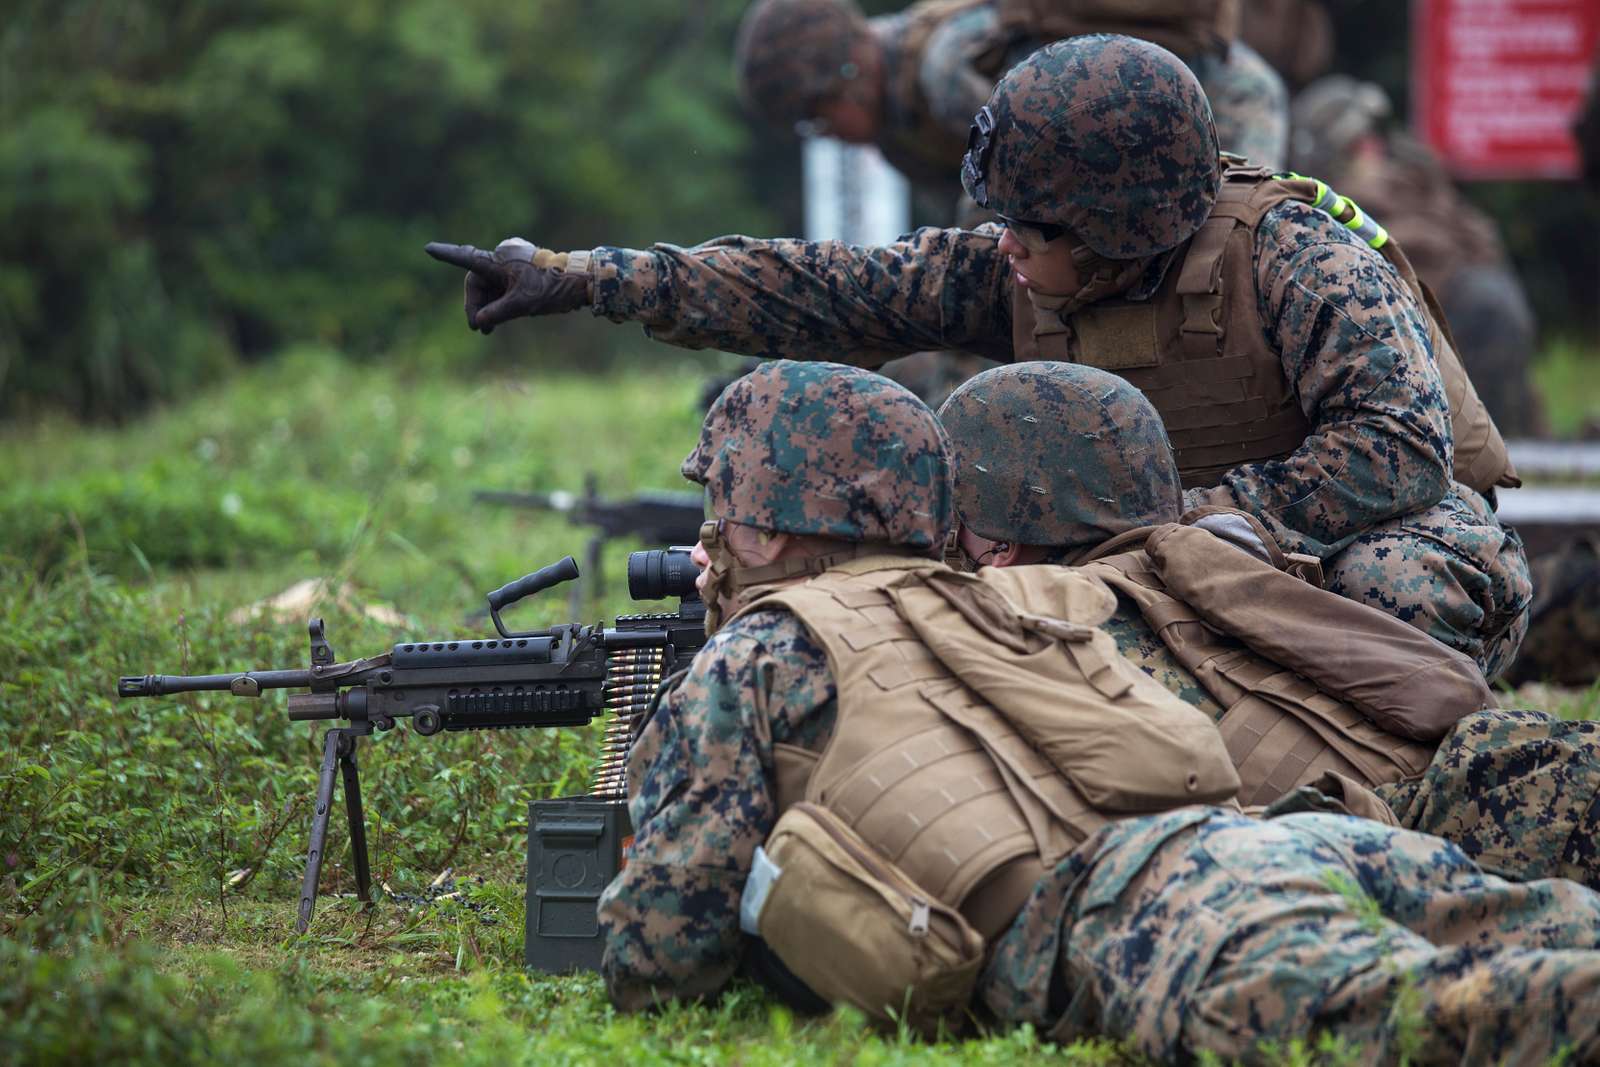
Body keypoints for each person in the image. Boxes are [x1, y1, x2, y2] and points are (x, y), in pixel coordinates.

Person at [424, 34, 1531, 679]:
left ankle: (1396, 791)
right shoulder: (1021, 268)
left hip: (1344, 539)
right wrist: (588, 277)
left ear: (1118, 228)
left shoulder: (1295, 257)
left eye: (1030, 231)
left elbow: (1397, 449)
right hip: (1162, 551)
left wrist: (1197, 527)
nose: (1001, 248)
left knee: (1401, 587)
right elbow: (819, 287)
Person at [600, 358, 1600, 1063]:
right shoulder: (1026, 593)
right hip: (1287, 839)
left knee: (1438, 1019)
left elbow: (661, 954)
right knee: (1553, 928)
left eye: (719, 513)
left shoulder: (755, 653)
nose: (705, 540)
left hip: (1151, 905)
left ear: (766, 535)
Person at [940, 359, 1600, 891]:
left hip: (1416, 838)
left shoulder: (1024, 616)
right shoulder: (1201, 551)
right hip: (1498, 763)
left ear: (998, 541)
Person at [734, 0, 1288, 208]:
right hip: (1144, 122)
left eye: (818, 119)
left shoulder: (946, 76)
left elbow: (1027, 192)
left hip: (1221, 94)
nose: (826, 135)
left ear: (849, 77)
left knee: (1231, 231)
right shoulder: (896, 116)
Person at [1290, 75, 1542, 436]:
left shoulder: (1415, 179)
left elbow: (1478, 237)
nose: (1374, 149)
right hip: (1409, 320)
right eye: (1360, 144)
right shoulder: (1333, 206)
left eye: (1373, 140)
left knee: (1492, 304)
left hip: (1462, 300)